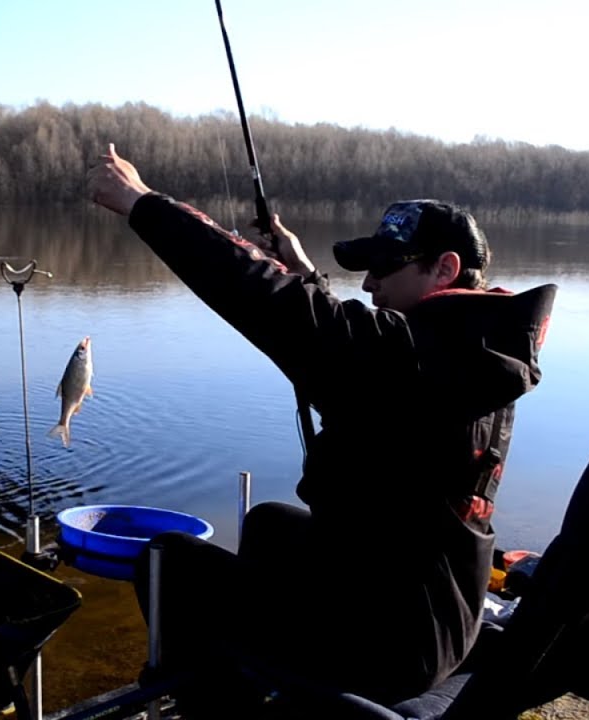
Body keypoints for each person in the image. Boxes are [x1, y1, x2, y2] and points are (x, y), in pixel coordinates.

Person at [86, 143, 557, 712]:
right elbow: (358, 352)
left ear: (444, 269)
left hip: (382, 645)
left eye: (386, 268)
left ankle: (213, 705)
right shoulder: (473, 354)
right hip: (433, 614)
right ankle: (252, 680)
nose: (369, 285)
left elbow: (270, 302)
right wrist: (305, 273)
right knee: (270, 525)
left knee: (170, 561)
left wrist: (143, 204)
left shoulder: (410, 359)